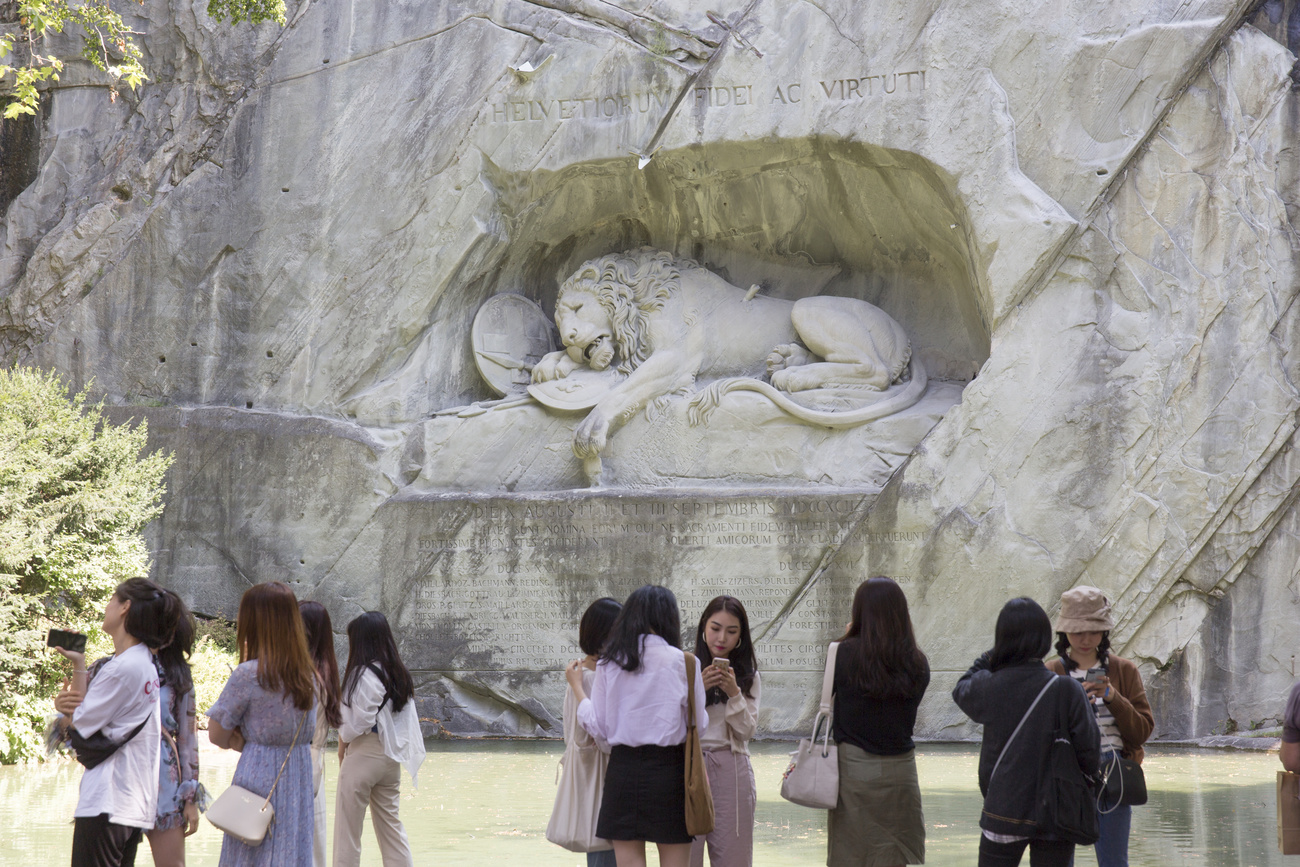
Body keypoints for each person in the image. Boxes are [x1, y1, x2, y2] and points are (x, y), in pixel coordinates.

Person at [566, 585, 708, 867]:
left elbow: (601, 728)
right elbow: (699, 726)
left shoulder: (610, 664)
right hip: (670, 773)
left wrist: (580, 692)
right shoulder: (686, 663)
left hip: (624, 771)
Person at [952, 597, 1100, 867]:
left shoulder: (990, 685)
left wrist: (994, 653)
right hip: (1057, 812)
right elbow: (1090, 755)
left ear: (1002, 639)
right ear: (1044, 639)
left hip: (1003, 808)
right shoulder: (1068, 689)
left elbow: (962, 688)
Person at [52, 577, 181, 867]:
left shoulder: (122, 668)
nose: (107, 605)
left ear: (125, 607)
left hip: (108, 801)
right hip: (130, 803)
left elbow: (79, 726)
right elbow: (89, 718)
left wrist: (65, 712)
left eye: (112, 599)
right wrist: (79, 665)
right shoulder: (142, 663)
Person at [207, 581, 316, 867]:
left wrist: (240, 740)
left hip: (260, 772)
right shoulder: (308, 676)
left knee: (251, 849)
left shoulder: (249, 674)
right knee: (291, 848)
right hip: (298, 771)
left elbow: (216, 734)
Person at [1047, 586, 1153, 867]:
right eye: (1078, 631)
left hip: (1113, 771)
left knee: (1114, 862)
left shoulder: (1124, 670)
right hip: (1065, 774)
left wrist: (1112, 697)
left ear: (1104, 632)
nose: (1085, 639)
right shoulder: (1051, 672)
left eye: (1094, 631)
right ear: (1065, 632)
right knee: (1058, 861)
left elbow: (1142, 731)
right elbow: (1041, 735)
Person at [828, 577, 929, 867]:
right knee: (895, 856)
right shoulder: (918, 663)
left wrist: (847, 639)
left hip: (854, 771)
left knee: (851, 855)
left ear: (860, 613)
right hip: (902, 773)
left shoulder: (842, 653)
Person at [334, 611, 426, 867]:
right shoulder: (399, 673)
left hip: (363, 756)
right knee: (392, 830)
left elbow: (355, 724)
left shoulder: (361, 675)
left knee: (347, 833)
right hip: (390, 757)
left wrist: (343, 749)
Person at [551, 597, 622, 867]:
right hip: (608, 776)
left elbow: (572, 736)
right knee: (608, 849)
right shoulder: (596, 677)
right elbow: (603, 739)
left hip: (591, 774)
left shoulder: (577, 674)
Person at [689, 596, 760, 867]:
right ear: (703, 629)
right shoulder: (685, 668)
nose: (722, 638)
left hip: (732, 767)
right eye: (715, 628)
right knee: (686, 857)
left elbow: (746, 731)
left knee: (734, 858)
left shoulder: (749, 676)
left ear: (741, 636)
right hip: (690, 767)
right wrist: (698, 689)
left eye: (732, 632)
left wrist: (734, 693)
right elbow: (672, 725)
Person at [146, 593, 207, 867]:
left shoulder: (177, 674)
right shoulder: (111, 666)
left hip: (166, 785)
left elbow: (187, 740)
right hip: (121, 779)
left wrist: (190, 798)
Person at [299, 601, 342, 867]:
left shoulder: (303, 675)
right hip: (315, 762)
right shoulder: (325, 672)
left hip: (297, 761)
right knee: (314, 839)